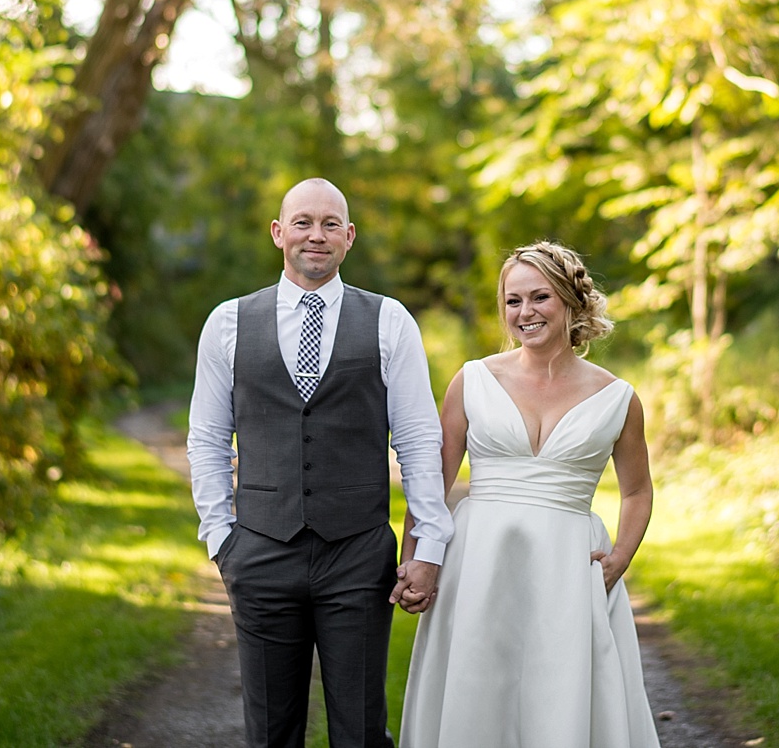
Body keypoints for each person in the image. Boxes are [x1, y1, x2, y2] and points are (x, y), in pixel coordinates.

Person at [187, 178, 453, 748]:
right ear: (279, 233)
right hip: (259, 552)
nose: (316, 235)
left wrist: (428, 546)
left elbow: (416, 439)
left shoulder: (389, 321)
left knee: (359, 729)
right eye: (303, 222)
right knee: (269, 733)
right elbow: (207, 437)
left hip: (357, 555)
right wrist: (221, 537)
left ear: (349, 237)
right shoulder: (228, 323)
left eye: (331, 224)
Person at [397, 241, 661, 748]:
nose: (525, 312)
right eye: (513, 301)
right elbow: (433, 485)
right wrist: (414, 559)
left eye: (540, 297)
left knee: (557, 692)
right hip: (479, 560)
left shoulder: (618, 398)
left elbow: (637, 490)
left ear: (569, 301)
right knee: (477, 689)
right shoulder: (472, 380)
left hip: (568, 566)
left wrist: (619, 558)